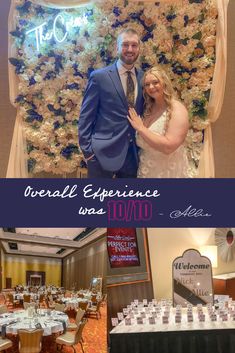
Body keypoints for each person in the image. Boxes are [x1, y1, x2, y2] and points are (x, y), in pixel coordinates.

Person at [78, 28, 144, 178]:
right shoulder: (99, 77)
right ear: (117, 48)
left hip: (132, 155)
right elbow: (86, 117)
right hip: (101, 154)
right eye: (125, 44)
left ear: (139, 49)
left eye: (134, 45)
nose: (130, 49)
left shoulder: (144, 77)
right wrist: (88, 153)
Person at [127, 66, 190, 178]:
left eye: (155, 82)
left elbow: (169, 147)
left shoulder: (177, 109)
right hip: (146, 170)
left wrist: (141, 129)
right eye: (147, 84)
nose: (151, 87)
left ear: (164, 83)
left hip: (168, 173)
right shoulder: (148, 109)